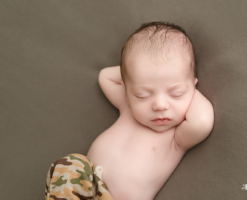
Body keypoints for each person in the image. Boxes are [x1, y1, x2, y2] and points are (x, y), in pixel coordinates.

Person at [45, 21, 214, 200]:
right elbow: (105, 77)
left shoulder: (177, 138)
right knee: (70, 164)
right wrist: (134, 73)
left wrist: (186, 86)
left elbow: (202, 122)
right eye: (143, 95)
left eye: (176, 93)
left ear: (193, 87)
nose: (160, 105)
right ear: (127, 90)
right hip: (84, 186)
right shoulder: (128, 105)